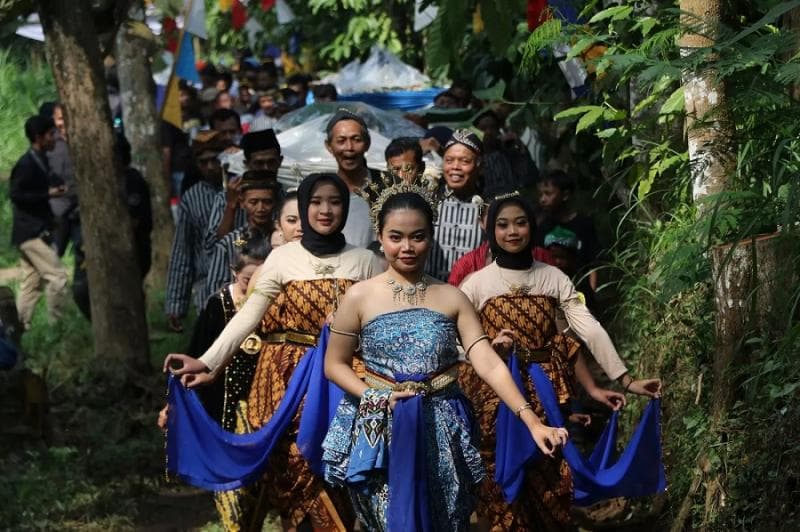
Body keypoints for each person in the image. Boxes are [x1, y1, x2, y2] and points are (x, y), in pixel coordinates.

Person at [321, 185, 568, 531]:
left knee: (447, 517)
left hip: (442, 424)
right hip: (380, 425)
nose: (407, 247)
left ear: (431, 237)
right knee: (389, 520)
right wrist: (378, 397)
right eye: (396, 237)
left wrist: (532, 421)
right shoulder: (359, 296)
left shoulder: (452, 296)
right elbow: (334, 364)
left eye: (417, 237)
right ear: (379, 236)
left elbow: (488, 362)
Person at [165, 173, 383, 531]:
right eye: (316, 202)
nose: (325, 210)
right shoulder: (281, 259)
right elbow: (247, 316)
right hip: (285, 383)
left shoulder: (364, 261)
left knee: (341, 473)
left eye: (335, 202)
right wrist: (208, 362)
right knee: (294, 472)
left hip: (344, 381)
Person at [459, 193, 662, 530]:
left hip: (549, 395)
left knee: (552, 479)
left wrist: (623, 380)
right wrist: (489, 346)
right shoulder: (476, 285)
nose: (512, 232)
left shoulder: (553, 278)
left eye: (520, 223)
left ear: (533, 226)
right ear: (491, 230)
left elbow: (586, 331)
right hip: (496, 399)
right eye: (503, 224)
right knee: (499, 483)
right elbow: (457, 341)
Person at [161, 234, 270, 532]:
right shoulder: (217, 306)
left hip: (266, 413)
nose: (256, 288)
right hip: (224, 417)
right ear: (235, 273)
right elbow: (196, 356)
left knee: (259, 494)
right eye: (249, 280)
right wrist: (172, 405)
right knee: (231, 497)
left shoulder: (274, 305)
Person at [9, 115, 69, 331]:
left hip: (33, 231)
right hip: (30, 232)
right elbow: (16, 195)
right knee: (58, 277)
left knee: (32, 284)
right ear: (39, 138)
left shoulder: (40, 159)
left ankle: (17, 329)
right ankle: (58, 329)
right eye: (51, 134)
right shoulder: (26, 164)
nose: (55, 137)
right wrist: (47, 194)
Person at [165, 131, 228, 333]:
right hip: (205, 287)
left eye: (214, 160)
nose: (210, 167)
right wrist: (176, 304)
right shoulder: (192, 198)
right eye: (203, 162)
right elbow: (182, 251)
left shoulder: (244, 190)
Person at [205, 128, 282, 254]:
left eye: (271, 162)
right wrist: (231, 206)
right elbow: (217, 245)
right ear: (247, 164)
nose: (266, 168)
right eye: (259, 163)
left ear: (280, 161)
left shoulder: (286, 197)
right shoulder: (227, 197)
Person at [205, 172, 280, 298]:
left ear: (275, 203)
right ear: (242, 203)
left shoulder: (281, 240)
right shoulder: (232, 242)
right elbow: (215, 290)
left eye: (267, 202)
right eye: (253, 202)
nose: (260, 208)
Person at [427, 129, 486, 281]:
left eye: (464, 161)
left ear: (479, 165)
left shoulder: (488, 206)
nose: (455, 167)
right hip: (430, 290)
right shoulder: (428, 201)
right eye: (449, 160)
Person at [535, 170, 601, 299]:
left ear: (565, 195)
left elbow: (593, 263)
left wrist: (592, 295)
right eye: (541, 194)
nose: (542, 199)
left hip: (580, 292)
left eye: (548, 194)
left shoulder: (583, 224)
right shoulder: (542, 227)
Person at [324, 109, 382, 248]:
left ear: (367, 143)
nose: (349, 147)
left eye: (356, 140)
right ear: (329, 146)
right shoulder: (322, 191)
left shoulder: (385, 185)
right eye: (341, 141)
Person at [39, 102, 79, 257]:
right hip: (57, 210)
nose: (64, 123)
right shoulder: (49, 142)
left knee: (83, 253)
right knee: (53, 255)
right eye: (60, 119)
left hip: (80, 209)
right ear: (53, 120)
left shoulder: (86, 138)